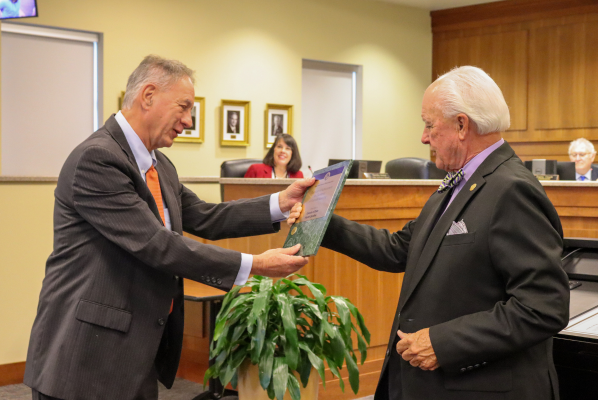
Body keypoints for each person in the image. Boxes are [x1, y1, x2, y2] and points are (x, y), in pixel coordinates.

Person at [24, 55, 314, 400]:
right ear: (148, 95)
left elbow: (205, 216)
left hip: (135, 349)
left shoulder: (160, 164)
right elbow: (157, 244)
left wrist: (278, 203)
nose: (188, 121)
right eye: (184, 107)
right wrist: (256, 266)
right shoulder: (98, 159)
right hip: (85, 356)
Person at [289, 66, 570, 400]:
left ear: (462, 125)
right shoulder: (458, 181)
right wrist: (322, 221)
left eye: (429, 124)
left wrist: (443, 343)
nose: (424, 137)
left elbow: (543, 306)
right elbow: (398, 249)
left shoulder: (511, 190)